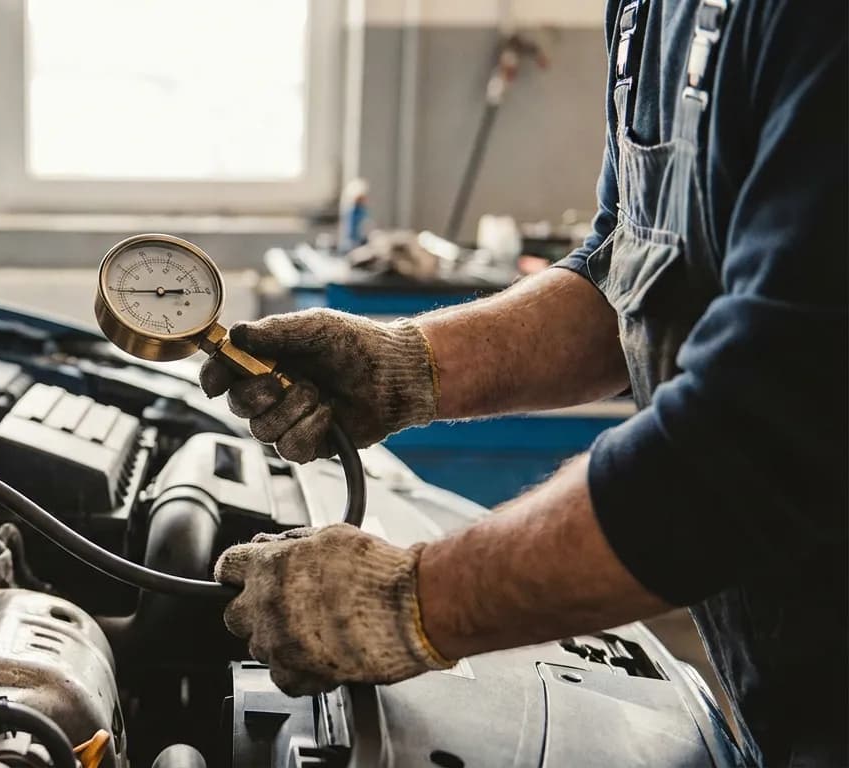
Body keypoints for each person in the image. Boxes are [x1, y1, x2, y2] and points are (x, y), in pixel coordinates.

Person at [200, 1, 847, 765]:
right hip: (780, 689)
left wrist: (414, 600)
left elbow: (763, 436)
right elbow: (622, 274)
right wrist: (405, 363)